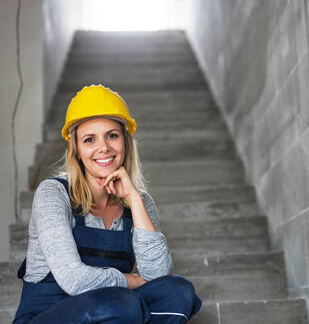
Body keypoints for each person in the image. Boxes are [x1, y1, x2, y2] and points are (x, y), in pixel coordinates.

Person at [13, 85, 202, 323]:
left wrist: (133, 199)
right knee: (122, 303)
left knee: (178, 291)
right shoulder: (53, 193)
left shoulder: (139, 201)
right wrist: (131, 280)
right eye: (89, 139)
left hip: (116, 310)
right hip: (48, 316)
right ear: (77, 151)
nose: (104, 147)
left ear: (125, 142)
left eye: (112, 135)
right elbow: (74, 279)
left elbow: (158, 277)